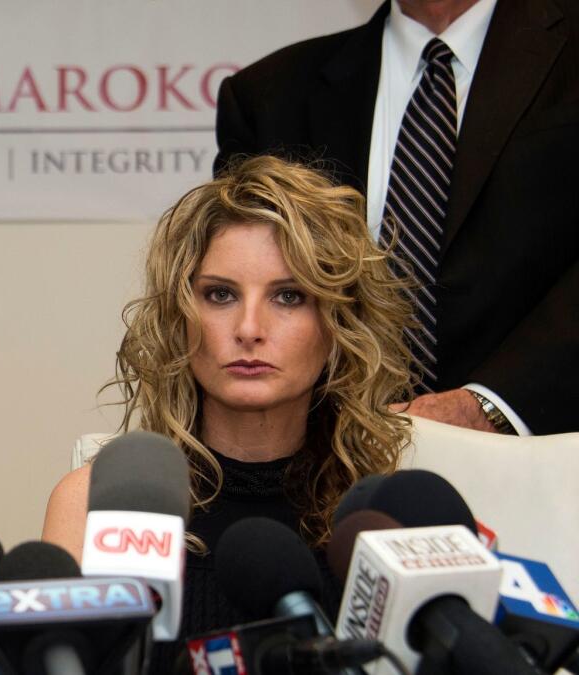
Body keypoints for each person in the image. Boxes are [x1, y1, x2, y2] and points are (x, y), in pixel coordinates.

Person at [42, 156, 415, 646]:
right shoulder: (94, 505)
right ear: (180, 319)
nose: (249, 329)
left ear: (339, 325)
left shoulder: (386, 521)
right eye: (220, 295)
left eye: (289, 296)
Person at [215, 0, 579, 436]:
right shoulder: (269, 96)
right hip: (334, 466)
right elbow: (246, 282)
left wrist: (492, 404)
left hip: (551, 453)